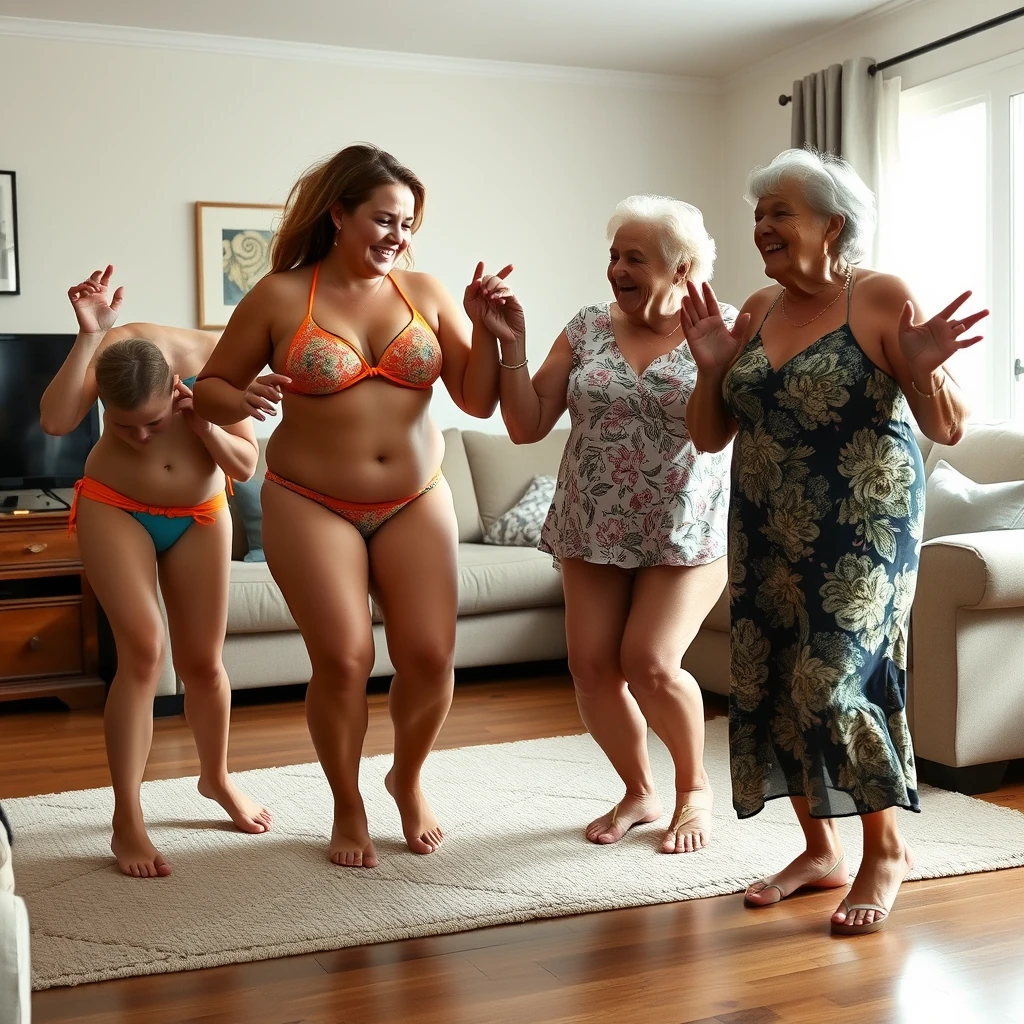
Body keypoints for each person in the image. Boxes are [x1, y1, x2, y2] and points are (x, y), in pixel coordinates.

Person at [683, 148, 986, 933]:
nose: (762, 228)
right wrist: (711, 366)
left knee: (830, 682)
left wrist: (920, 372)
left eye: (779, 212)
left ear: (833, 223)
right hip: (763, 522)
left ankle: (886, 849)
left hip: (864, 524)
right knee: (777, 678)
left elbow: (948, 427)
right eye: (758, 215)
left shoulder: (878, 295)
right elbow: (711, 436)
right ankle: (820, 851)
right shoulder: (753, 309)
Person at [193, 144, 516, 868]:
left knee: (431, 657)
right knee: (343, 659)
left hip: (415, 496)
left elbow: (476, 396)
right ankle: (347, 803)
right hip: (312, 501)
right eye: (383, 219)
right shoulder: (281, 295)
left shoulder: (425, 293)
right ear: (339, 214)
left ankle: (407, 776)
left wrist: (487, 332)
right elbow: (212, 385)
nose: (397, 236)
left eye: (408, 224)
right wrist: (237, 398)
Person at [487, 195, 735, 853]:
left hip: (685, 526)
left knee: (650, 662)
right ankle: (638, 789)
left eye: (635, 257)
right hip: (591, 519)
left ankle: (694, 791)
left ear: (681, 267)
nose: (617, 269)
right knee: (593, 668)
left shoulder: (724, 326)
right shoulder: (587, 326)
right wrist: (510, 346)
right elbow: (526, 423)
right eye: (614, 255)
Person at [40, 267, 272, 878]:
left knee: (204, 663)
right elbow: (57, 421)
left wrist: (206, 426)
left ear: (176, 387)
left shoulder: (213, 358)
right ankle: (128, 819)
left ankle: (217, 779)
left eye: (154, 423)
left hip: (200, 514)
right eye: (124, 427)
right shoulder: (109, 356)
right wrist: (88, 335)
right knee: (143, 652)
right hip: (116, 509)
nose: (140, 436)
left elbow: (245, 466)